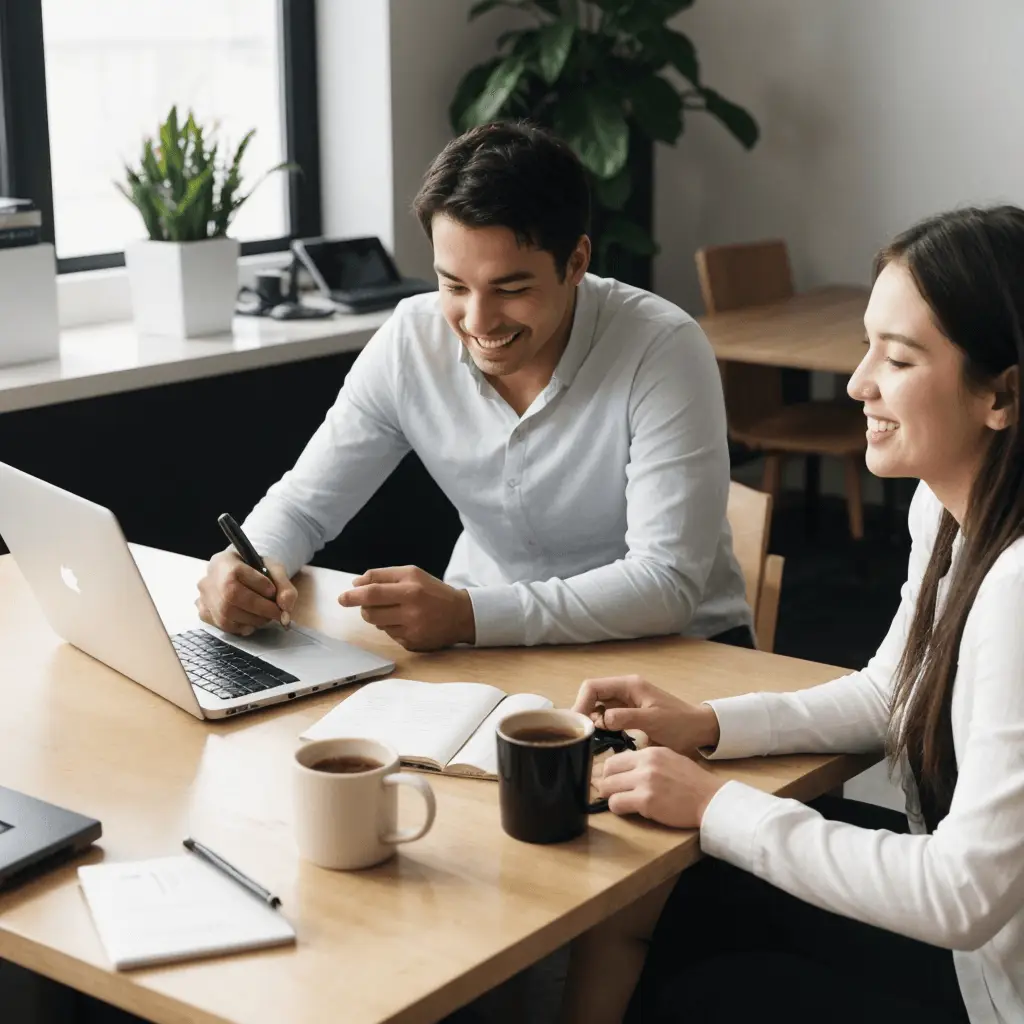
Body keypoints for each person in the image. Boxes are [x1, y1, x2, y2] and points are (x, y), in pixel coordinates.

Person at [566, 205, 1024, 1024]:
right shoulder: (948, 507)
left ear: (1003, 395)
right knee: (670, 895)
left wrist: (713, 804)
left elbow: (962, 895)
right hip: (977, 951)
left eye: (901, 357)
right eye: (866, 346)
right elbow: (893, 691)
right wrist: (705, 724)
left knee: (709, 986)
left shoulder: (1020, 587)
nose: (858, 385)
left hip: (994, 986)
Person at [195, 121, 751, 652]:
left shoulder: (663, 349)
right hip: (484, 646)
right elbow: (303, 509)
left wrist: (468, 615)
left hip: (674, 653)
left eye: (510, 288)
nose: (478, 322)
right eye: (453, 285)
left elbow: (665, 586)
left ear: (576, 261)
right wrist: (247, 563)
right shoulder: (410, 341)